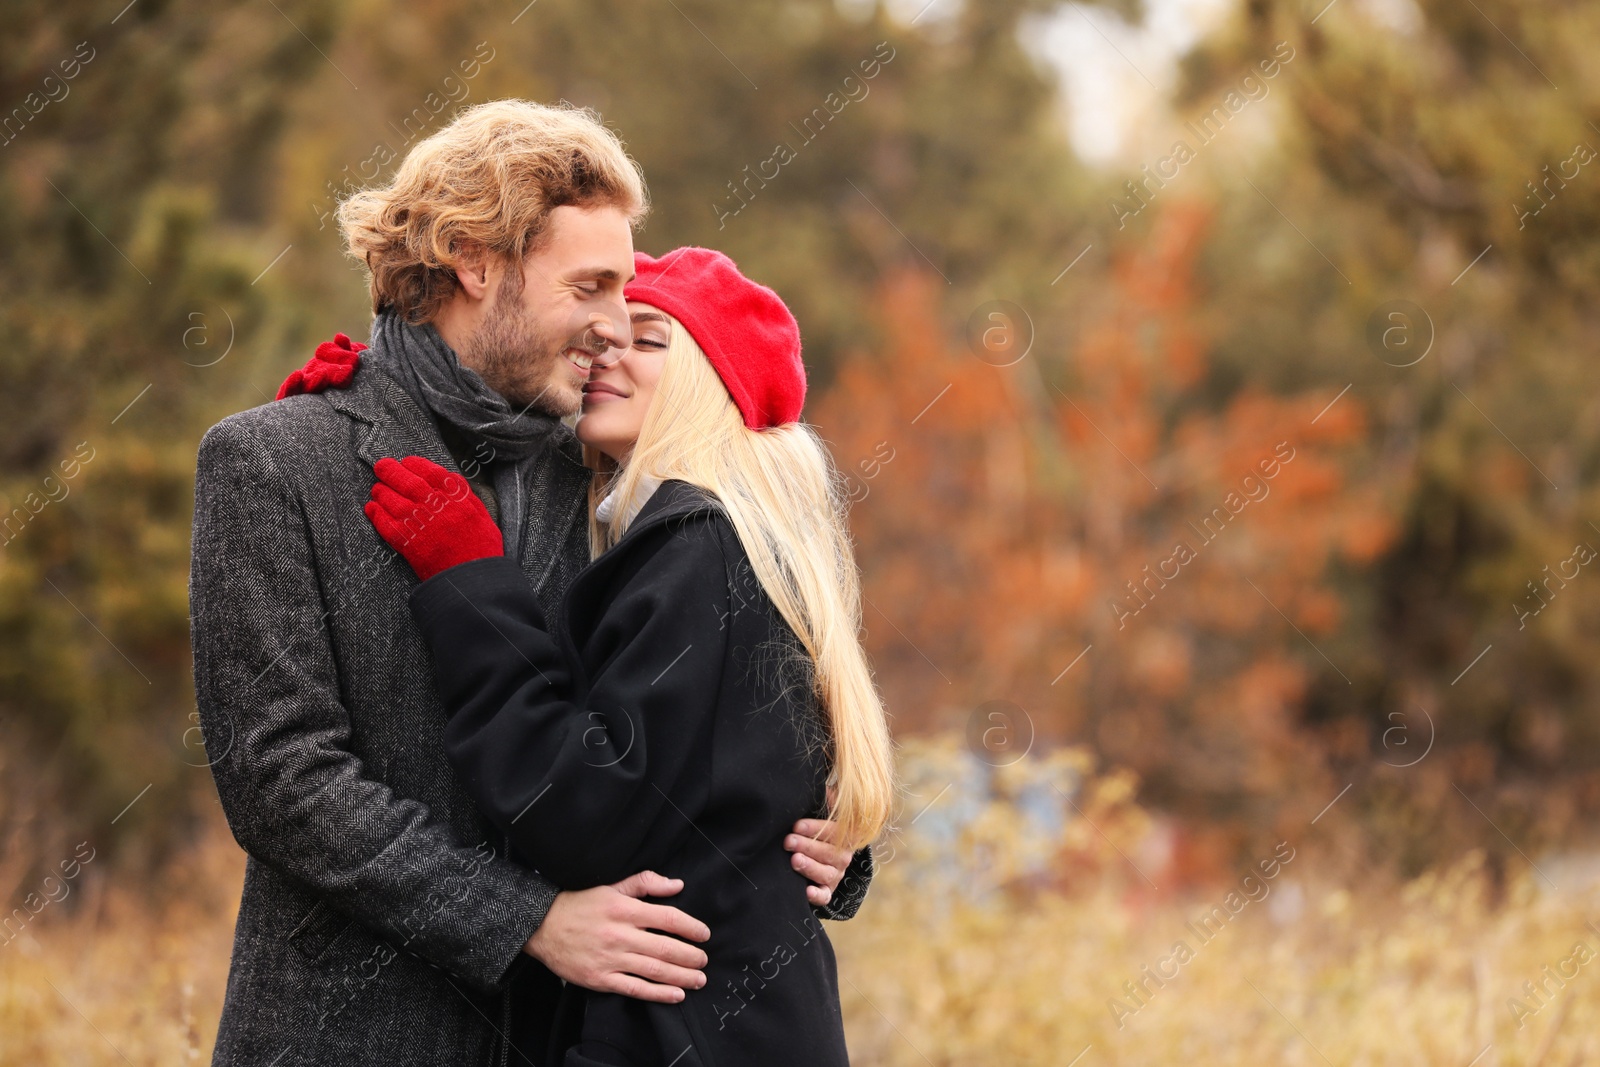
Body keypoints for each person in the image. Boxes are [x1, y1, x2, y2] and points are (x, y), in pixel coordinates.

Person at [189, 101, 871, 1067]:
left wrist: (818, 842)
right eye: (590, 286)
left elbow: (689, 726)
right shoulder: (277, 462)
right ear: (475, 261)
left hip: (569, 1041)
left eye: (624, 293)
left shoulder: (604, 467)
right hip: (353, 1035)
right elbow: (282, 780)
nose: (609, 326)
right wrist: (526, 921)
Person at [361, 246, 894, 1066]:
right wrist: (375, 395)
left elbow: (588, 812)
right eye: (606, 333)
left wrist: (470, 585)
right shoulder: (733, 543)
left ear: (710, 389)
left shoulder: (698, 550)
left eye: (649, 338)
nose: (609, 350)